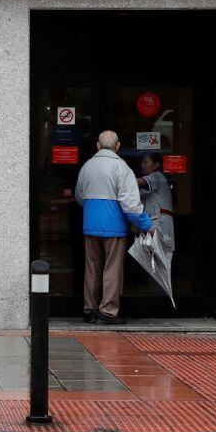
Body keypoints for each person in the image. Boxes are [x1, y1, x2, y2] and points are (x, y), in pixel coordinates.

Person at [74, 130, 152, 325]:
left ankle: (89, 309)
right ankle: (108, 311)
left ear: (98, 146)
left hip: (90, 225)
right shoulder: (121, 167)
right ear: (118, 147)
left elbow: (79, 196)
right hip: (114, 226)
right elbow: (130, 203)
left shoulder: (87, 167)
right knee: (112, 269)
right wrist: (145, 224)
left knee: (92, 268)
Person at [138, 153, 175, 293]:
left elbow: (139, 182)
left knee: (160, 262)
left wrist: (122, 179)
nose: (143, 165)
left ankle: (161, 298)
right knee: (154, 263)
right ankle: (157, 296)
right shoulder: (153, 183)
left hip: (160, 224)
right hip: (155, 224)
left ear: (156, 165)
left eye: (146, 162)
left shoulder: (157, 176)